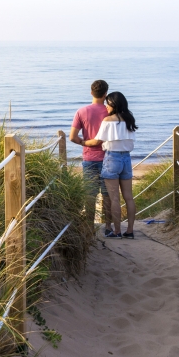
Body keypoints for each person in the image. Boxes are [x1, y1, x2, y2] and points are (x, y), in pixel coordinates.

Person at [81, 91, 137, 239]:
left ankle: (117, 231)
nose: (106, 106)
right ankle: (130, 231)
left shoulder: (107, 120)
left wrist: (81, 142)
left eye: (108, 103)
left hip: (112, 158)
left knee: (114, 198)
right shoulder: (129, 119)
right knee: (129, 197)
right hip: (127, 159)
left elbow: (96, 141)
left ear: (113, 104)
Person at [69, 80, 113, 235]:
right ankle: (108, 227)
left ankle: (89, 228)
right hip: (108, 158)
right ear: (106, 94)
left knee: (90, 194)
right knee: (107, 195)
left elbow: (72, 137)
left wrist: (84, 143)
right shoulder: (110, 112)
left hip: (89, 159)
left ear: (91, 93)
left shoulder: (81, 111)